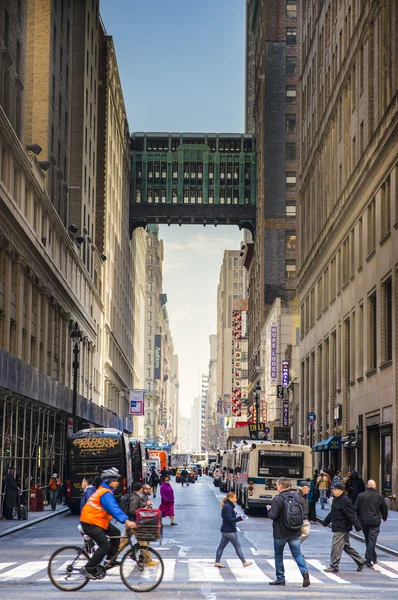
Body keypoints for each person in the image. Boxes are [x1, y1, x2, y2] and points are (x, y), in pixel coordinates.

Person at [80, 467, 135, 579]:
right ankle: (89, 568)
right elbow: (113, 508)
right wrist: (126, 520)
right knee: (104, 545)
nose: (117, 483)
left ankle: (110, 559)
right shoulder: (104, 492)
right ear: (109, 481)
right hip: (90, 522)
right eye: (115, 480)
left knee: (115, 532)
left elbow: (114, 508)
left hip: (98, 520)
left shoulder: (106, 491)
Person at [267, 477, 310, 587]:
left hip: (280, 532)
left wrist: (269, 509)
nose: (277, 487)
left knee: (278, 555)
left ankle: (280, 578)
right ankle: (304, 572)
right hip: (294, 531)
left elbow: (273, 515)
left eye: (277, 485)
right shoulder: (296, 498)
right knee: (297, 554)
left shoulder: (278, 499)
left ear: (280, 486)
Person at [322, 482, 365, 573]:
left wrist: (357, 527)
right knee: (345, 546)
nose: (333, 491)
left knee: (336, 546)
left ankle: (334, 566)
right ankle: (360, 560)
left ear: (340, 490)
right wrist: (325, 522)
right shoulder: (336, 499)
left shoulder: (345, 500)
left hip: (342, 526)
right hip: (338, 525)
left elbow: (351, 514)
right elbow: (332, 512)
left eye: (335, 489)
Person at [354, 479, 388, 567]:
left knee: (368, 539)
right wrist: (384, 517)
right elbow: (384, 508)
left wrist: (356, 521)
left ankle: (373, 557)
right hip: (375, 521)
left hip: (364, 521)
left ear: (367, 486)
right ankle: (368, 559)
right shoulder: (379, 496)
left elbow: (355, 509)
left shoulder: (361, 496)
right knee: (372, 540)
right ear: (375, 486)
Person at [214, 492, 252, 568]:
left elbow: (227, 516)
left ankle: (217, 562)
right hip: (229, 530)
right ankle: (244, 562)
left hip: (225, 530)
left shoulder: (228, 506)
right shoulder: (228, 507)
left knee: (221, 546)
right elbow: (230, 519)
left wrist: (234, 513)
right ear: (230, 498)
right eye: (235, 497)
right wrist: (240, 518)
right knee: (237, 546)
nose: (236, 499)